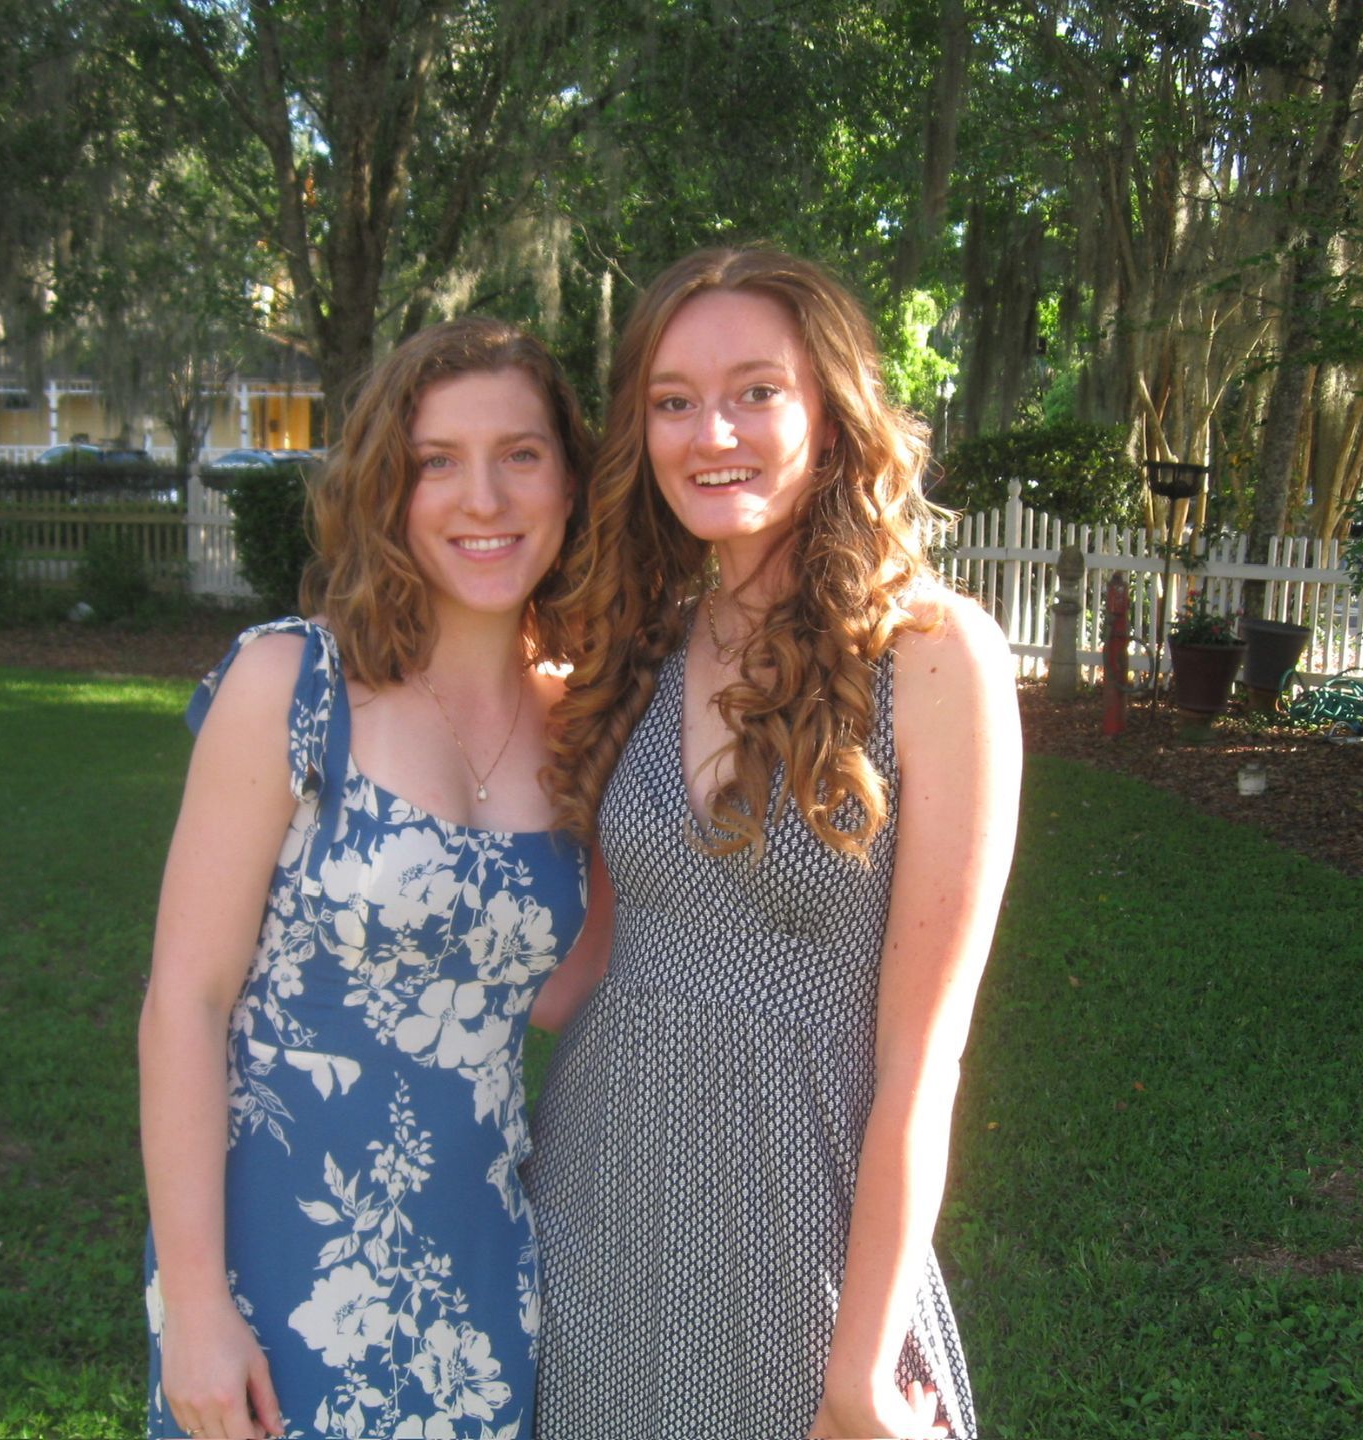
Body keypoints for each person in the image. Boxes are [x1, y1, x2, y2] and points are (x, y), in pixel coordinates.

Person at [527, 248, 1022, 1440]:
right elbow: (573, 977)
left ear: (831, 415)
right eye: (673, 400)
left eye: (756, 391)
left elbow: (924, 1059)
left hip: (803, 1246)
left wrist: (860, 1371)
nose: (712, 433)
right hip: (597, 1214)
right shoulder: (641, 653)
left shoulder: (932, 657)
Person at [140, 318, 595, 1440]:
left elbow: (564, 992)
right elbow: (185, 1002)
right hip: (278, 1271)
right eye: (438, 461)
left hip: (481, 1269)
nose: (484, 499)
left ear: (571, 481)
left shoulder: (582, 721)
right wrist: (194, 1306)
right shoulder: (294, 685)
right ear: (390, 488)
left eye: (521, 454)